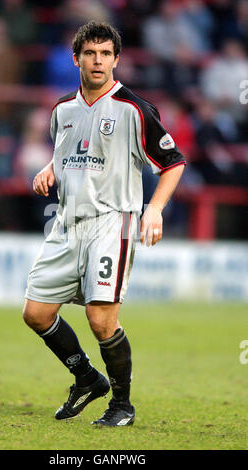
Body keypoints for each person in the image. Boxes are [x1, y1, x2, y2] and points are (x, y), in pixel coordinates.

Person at [23, 21, 186, 427]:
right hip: (66, 223)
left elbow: (174, 163)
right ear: (76, 59)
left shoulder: (134, 109)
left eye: (106, 54)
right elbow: (72, 149)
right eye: (91, 54)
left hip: (113, 221)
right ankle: (87, 379)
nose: (98, 61)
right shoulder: (62, 109)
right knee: (36, 313)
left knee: (101, 319)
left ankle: (123, 406)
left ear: (117, 59)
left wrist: (155, 208)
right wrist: (49, 168)